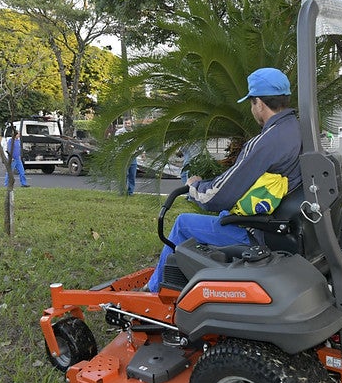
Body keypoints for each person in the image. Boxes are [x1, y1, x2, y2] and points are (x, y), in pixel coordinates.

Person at [146, 67, 302, 292]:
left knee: (182, 223)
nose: (252, 109)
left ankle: (154, 293)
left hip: (258, 232)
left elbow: (219, 196)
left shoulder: (267, 141)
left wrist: (194, 187)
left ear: (259, 103)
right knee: (222, 217)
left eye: (251, 103)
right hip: (280, 223)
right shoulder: (295, 128)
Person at [115, 119, 138, 196]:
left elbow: (139, 143)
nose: (127, 124)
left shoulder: (134, 132)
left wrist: (142, 153)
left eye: (129, 123)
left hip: (132, 156)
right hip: (123, 156)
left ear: (131, 124)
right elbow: (116, 143)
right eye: (126, 123)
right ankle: (122, 192)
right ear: (124, 124)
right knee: (123, 175)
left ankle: (130, 192)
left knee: (132, 175)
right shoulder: (119, 132)